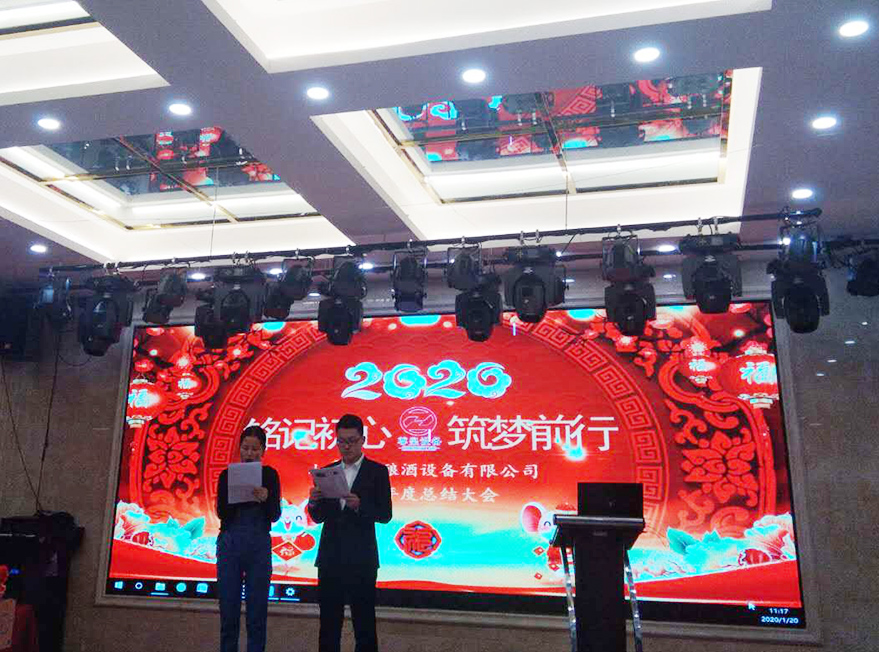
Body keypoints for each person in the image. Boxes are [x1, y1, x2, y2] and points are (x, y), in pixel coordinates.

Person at [307, 414, 393, 652]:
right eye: (341, 441)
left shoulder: (377, 472)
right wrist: (313, 502)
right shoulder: (327, 472)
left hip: (362, 559)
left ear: (362, 440)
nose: (346, 446)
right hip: (330, 558)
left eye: (352, 441)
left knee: (364, 624)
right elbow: (319, 517)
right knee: (328, 624)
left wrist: (360, 506)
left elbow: (385, 514)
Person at [216, 425, 281, 652]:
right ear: (239, 449)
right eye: (245, 448)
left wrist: (266, 497)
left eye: (255, 449)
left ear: (263, 450)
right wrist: (237, 496)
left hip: (258, 547)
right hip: (230, 545)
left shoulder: (270, 475)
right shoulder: (226, 475)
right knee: (228, 612)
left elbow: (275, 515)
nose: (249, 453)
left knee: (257, 613)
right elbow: (221, 513)